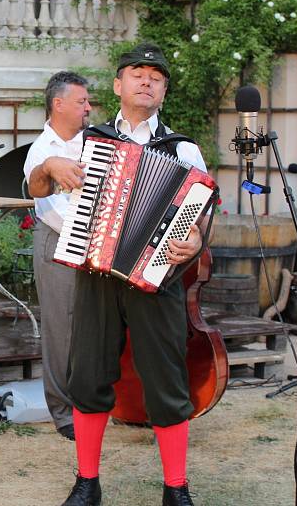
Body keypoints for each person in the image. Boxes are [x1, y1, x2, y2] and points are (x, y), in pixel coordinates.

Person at [42, 44, 208, 506]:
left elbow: (199, 222)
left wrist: (194, 243)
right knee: (89, 377)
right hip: (96, 271)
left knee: (167, 382)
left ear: (164, 91)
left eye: (156, 76)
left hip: (158, 278)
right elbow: (34, 186)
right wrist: (50, 165)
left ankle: (176, 488)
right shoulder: (83, 138)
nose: (147, 81)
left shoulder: (183, 149)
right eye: (137, 73)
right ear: (118, 85)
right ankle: (86, 483)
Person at [24, 71, 92, 441]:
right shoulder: (40, 151)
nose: (88, 107)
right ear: (58, 104)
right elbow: (44, 200)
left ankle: (92, 403)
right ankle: (63, 413)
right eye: (82, 101)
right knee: (60, 330)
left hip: (97, 247)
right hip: (58, 242)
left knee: (92, 330)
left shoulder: (96, 141)